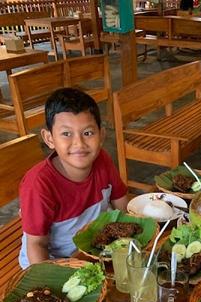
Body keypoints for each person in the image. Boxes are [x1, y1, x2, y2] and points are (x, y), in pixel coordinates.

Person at [19, 88, 128, 269]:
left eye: (87, 133)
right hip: (55, 262)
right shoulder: (38, 184)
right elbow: (36, 245)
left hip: (94, 251)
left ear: (101, 135)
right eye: (66, 134)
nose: (79, 144)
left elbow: (121, 202)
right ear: (49, 138)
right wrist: (51, 279)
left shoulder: (102, 159)